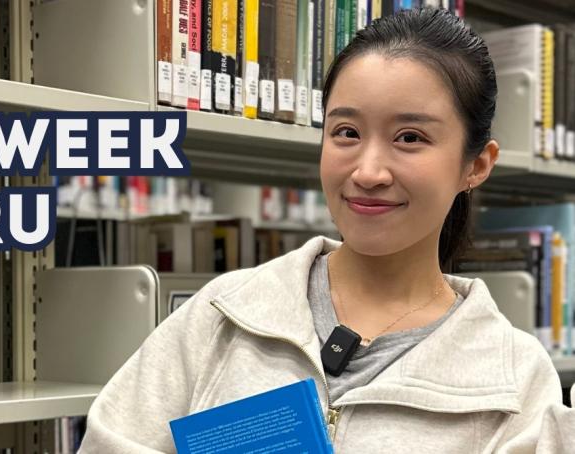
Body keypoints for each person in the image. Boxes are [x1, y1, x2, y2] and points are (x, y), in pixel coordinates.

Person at [79, 8, 575, 453]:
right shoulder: (223, 314)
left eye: (410, 137)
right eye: (347, 133)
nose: (368, 171)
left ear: (477, 164)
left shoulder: (516, 380)